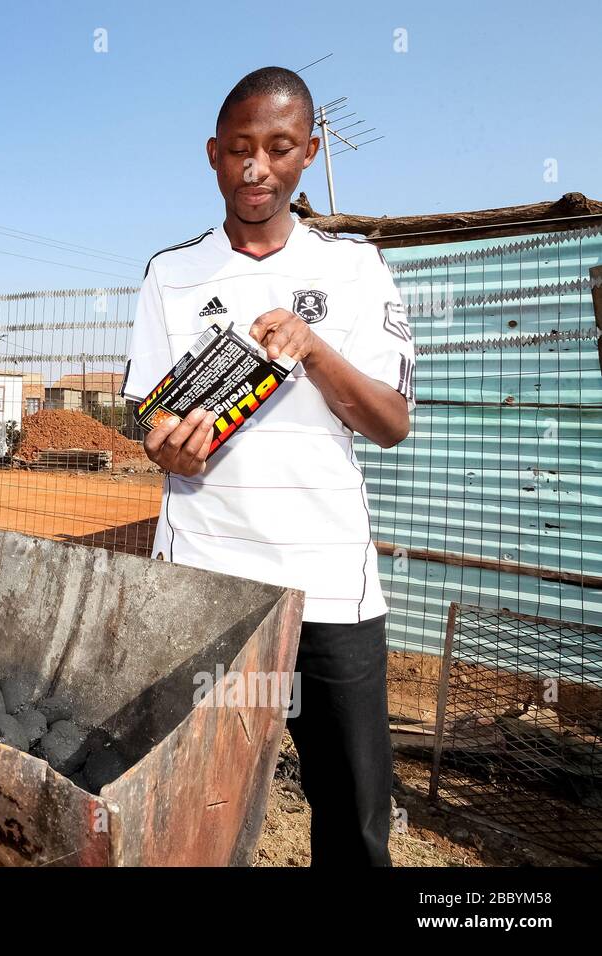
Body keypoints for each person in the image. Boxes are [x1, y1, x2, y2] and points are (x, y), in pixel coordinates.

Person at [123, 67, 414, 866]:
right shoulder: (171, 274)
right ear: (213, 156)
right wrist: (168, 449)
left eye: (279, 148)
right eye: (240, 149)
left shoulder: (354, 269)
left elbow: (391, 423)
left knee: (353, 816)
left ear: (310, 153)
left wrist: (315, 351)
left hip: (329, 590)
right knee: (192, 807)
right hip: (205, 585)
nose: (257, 168)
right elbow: (150, 425)